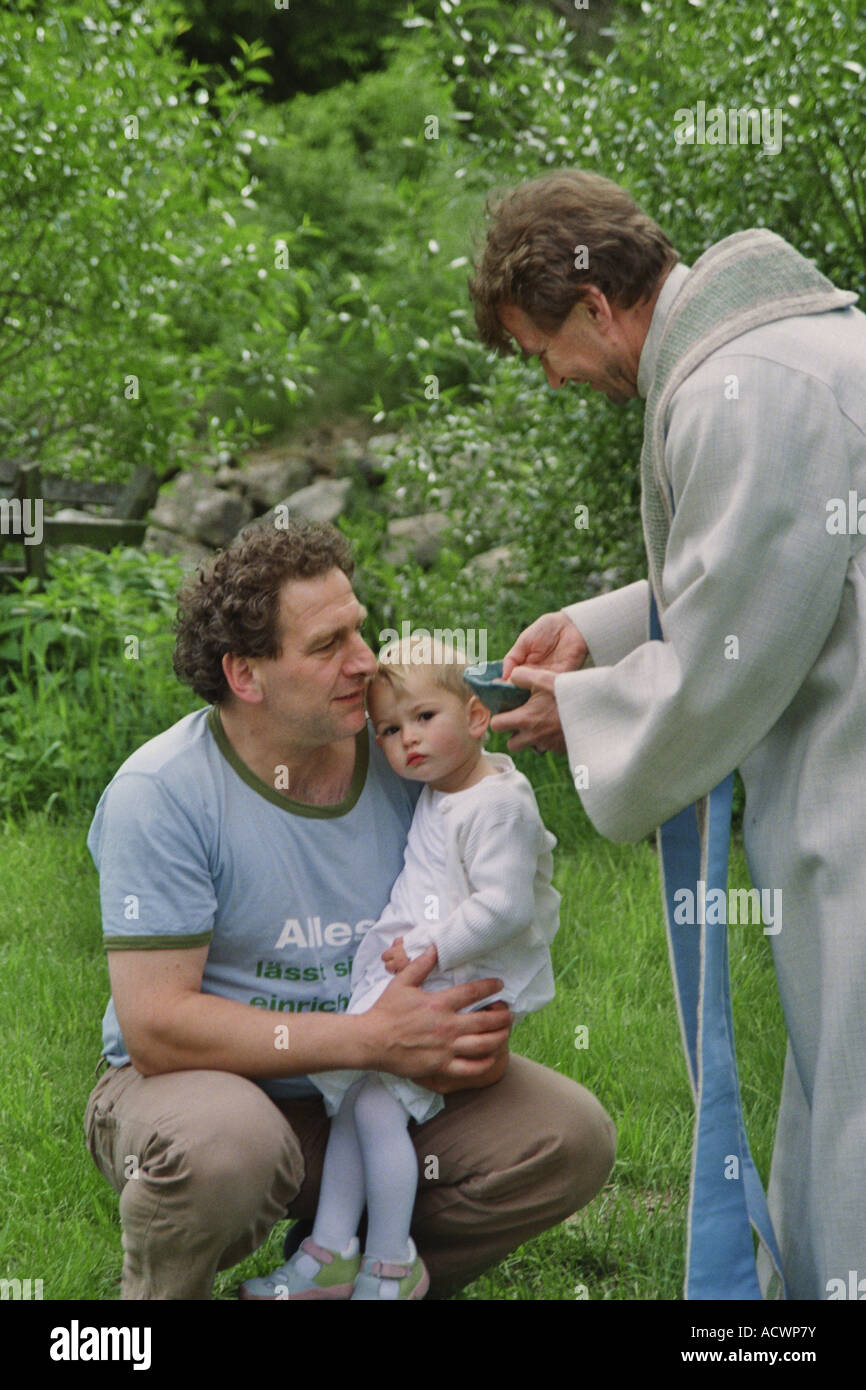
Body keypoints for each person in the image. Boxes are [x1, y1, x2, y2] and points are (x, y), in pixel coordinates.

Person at [467, 168, 866, 1300]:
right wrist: (602, 631)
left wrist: (576, 712)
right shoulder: (771, 353)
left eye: (542, 348)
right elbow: (772, 569)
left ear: (595, 306)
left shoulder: (747, 384)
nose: (552, 377)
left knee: (855, 1099)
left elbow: (729, 650)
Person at [84, 518, 616, 1300]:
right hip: (206, 1084)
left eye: (361, 630)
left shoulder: (406, 752)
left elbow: (491, 879)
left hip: (368, 1088)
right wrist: (372, 1037)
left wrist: (463, 1039)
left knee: (567, 1137)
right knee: (230, 1147)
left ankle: (350, 1277)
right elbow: (157, 1029)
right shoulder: (160, 794)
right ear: (246, 675)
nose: (365, 662)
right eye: (329, 644)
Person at [240, 638, 560, 1299]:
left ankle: (391, 1263)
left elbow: (505, 905)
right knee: (358, 1103)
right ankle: (331, 1251)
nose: (406, 740)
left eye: (423, 718)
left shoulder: (497, 804)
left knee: (381, 1112)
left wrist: (429, 947)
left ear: (476, 718)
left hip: (461, 983)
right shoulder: (445, 789)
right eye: (389, 729)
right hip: (422, 971)